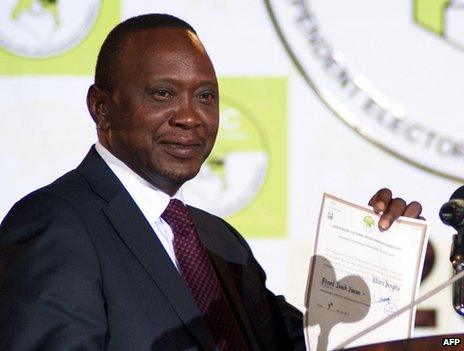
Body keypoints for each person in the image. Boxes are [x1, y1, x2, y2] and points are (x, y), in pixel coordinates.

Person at [0, 14, 423, 351]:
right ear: (101, 109)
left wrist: (378, 265)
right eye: (163, 94)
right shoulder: (54, 224)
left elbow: (303, 344)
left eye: (206, 96)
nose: (191, 116)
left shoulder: (218, 240)